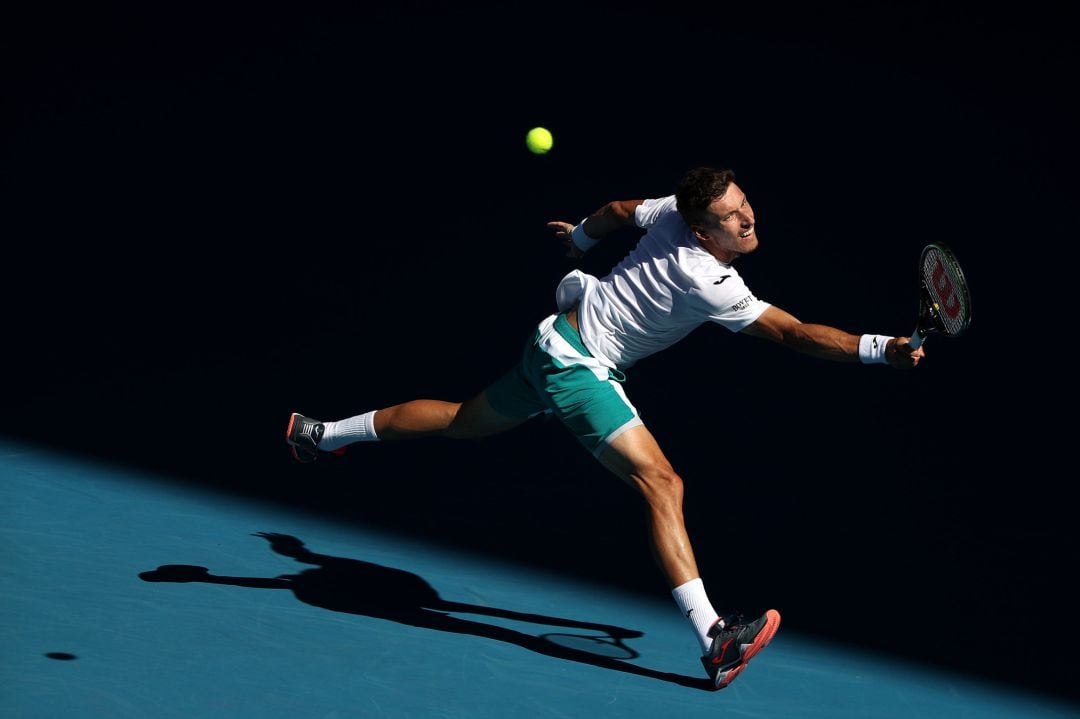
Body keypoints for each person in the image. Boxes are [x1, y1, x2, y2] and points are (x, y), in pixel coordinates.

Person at [285, 166, 924, 690]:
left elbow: (620, 208)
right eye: (731, 217)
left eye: (745, 203)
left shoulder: (674, 210)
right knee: (661, 483)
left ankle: (319, 434)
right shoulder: (711, 281)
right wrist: (881, 348)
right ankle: (714, 637)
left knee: (460, 421)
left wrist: (582, 240)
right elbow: (793, 334)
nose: (747, 218)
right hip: (580, 368)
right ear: (702, 232)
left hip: (552, 344)